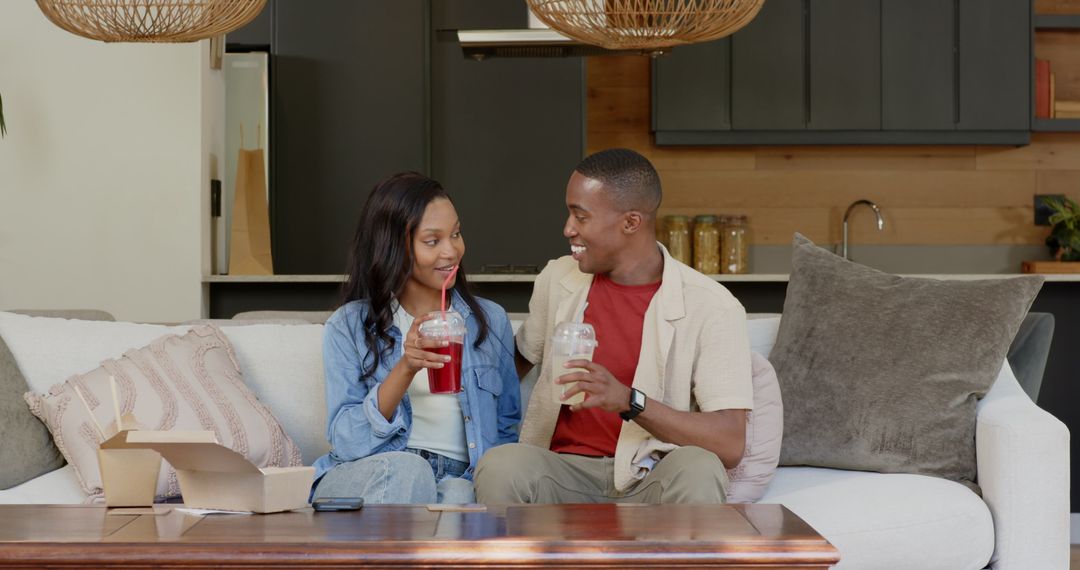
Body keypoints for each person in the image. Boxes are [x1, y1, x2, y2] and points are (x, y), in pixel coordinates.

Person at [474, 148, 752, 504]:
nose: (567, 228)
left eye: (581, 216)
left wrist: (627, 400)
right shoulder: (557, 279)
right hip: (562, 473)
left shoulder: (712, 305)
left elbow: (729, 443)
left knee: (699, 467)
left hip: (648, 476)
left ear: (631, 222)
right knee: (502, 465)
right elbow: (515, 363)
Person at [312, 172, 521, 504]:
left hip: (460, 476)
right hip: (376, 470)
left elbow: (507, 428)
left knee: (458, 493)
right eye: (432, 241)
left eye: (456, 234)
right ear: (395, 246)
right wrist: (406, 367)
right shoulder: (349, 326)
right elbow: (346, 443)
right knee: (409, 473)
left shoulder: (490, 321)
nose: (452, 251)